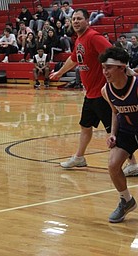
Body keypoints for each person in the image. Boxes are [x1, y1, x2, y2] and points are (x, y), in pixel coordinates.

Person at [49, 8, 138, 172]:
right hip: (90, 94)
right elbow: (74, 59)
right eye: (74, 19)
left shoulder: (93, 37)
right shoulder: (79, 40)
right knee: (85, 126)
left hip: (102, 94)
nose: (75, 21)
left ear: (88, 21)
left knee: (114, 130)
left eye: (79, 19)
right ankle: (79, 157)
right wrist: (60, 73)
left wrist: (127, 71)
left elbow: (113, 53)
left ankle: (132, 163)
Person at [99, 46, 138, 223]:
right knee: (113, 165)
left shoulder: (136, 85)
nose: (104, 71)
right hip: (127, 131)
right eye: (103, 67)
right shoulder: (106, 90)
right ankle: (126, 200)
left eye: (108, 67)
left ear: (121, 68)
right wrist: (112, 134)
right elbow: (115, 112)